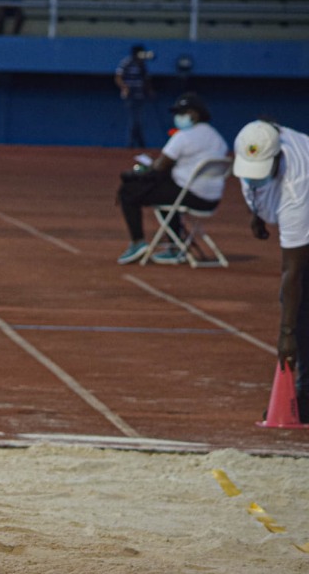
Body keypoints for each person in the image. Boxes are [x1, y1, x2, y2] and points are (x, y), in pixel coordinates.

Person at [234, 119, 309, 413]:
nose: (253, 178)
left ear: (278, 159)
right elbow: (254, 184)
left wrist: (285, 335)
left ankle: (305, 393)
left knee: (300, 302)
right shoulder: (254, 144)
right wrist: (258, 214)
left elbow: (292, 270)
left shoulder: (297, 183)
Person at [114, 92, 228, 264]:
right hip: (211, 199)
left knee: (128, 191)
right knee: (165, 190)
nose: (178, 117)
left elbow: (161, 165)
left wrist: (139, 173)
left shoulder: (183, 137)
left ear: (195, 114)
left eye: (182, 113)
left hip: (189, 195)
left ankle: (138, 242)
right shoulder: (217, 138)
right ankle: (175, 246)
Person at [115, 44, 154, 148]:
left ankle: (141, 143)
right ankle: (131, 144)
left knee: (138, 121)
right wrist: (124, 87)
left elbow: (146, 79)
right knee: (134, 120)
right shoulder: (127, 62)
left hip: (140, 95)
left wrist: (149, 91)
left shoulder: (142, 65)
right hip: (130, 96)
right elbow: (118, 77)